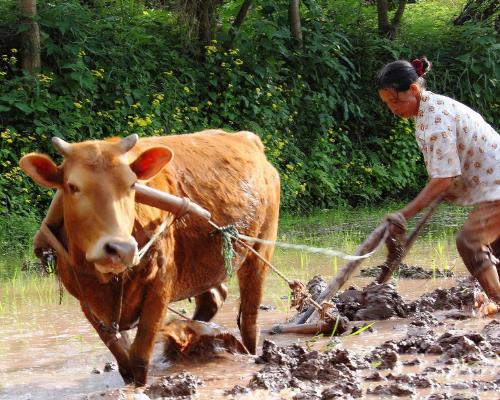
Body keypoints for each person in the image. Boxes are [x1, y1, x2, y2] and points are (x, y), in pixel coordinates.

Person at [377, 57, 500, 314]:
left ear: (413, 89)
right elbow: (445, 174)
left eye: (395, 100)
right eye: (387, 103)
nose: (393, 109)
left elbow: (444, 177)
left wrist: (403, 214)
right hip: (492, 184)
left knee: (470, 241)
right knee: (495, 245)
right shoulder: (427, 111)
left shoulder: (436, 118)